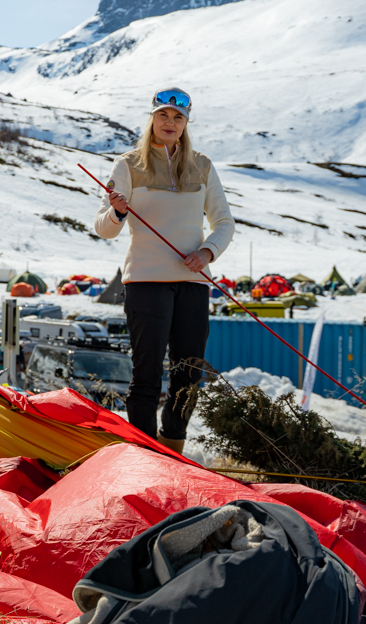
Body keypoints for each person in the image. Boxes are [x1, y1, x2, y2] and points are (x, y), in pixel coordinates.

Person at [93, 87, 235, 456]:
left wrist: (207, 251)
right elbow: (103, 228)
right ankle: (142, 455)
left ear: (186, 123)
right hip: (145, 281)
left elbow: (224, 223)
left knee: (189, 376)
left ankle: (173, 451)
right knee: (147, 375)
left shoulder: (202, 165)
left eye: (178, 117)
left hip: (192, 282)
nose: (170, 123)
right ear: (152, 119)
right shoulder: (128, 164)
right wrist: (118, 212)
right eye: (163, 116)